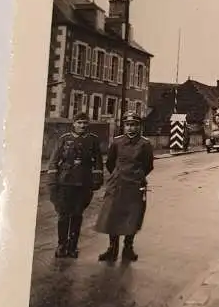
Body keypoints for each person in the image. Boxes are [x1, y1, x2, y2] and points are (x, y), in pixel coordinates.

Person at [95, 112, 154, 262]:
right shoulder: (116, 142)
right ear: (124, 126)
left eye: (133, 125)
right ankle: (112, 249)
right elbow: (110, 163)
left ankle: (128, 248)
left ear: (139, 126)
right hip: (117, 184)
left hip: (135, 186)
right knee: (112, 216)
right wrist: (118, 175)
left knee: (132, 217)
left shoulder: (145, 144)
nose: (130, 128)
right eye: (127, 125)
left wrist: (137, 176)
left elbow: (148, 166)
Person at [47, 113, 104, 258]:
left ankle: (73, 246)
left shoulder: (93, 140)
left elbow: (98, 161)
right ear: (74, 123)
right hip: (65, 182)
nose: (82, 125)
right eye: (79, 122)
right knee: (63, 215)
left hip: (84, 183)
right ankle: (61, 245)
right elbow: (54, 161)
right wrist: (53, 180)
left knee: (77, 215)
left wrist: (97, 179)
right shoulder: (64, 139)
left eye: (85, 123)